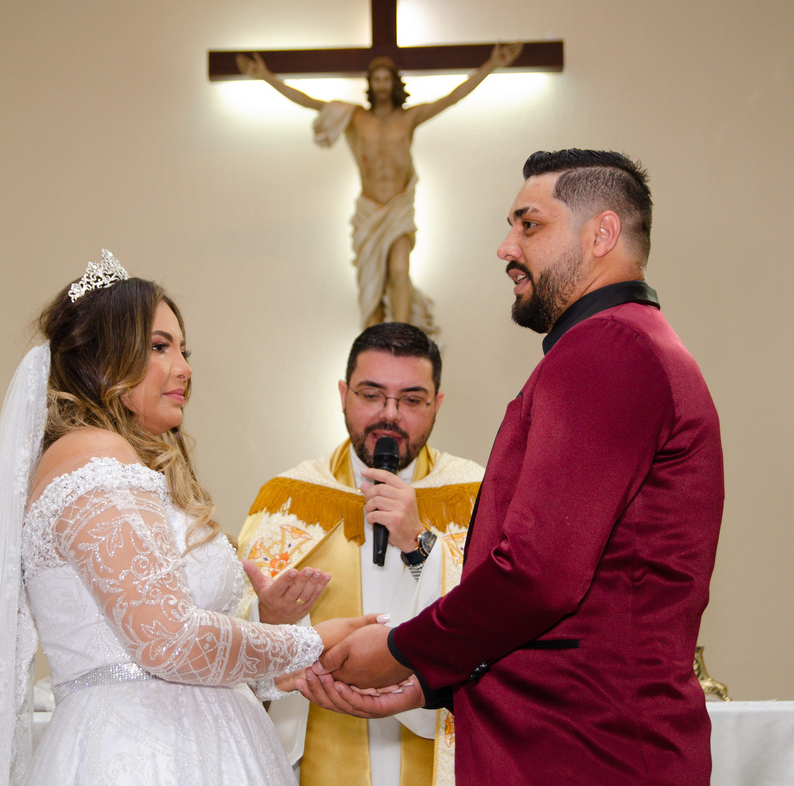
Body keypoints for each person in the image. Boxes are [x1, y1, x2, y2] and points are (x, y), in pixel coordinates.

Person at [0, 250, 381, 786]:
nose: (184, 368)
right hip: (141, 754)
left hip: (196, 743)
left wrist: (268, 630)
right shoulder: (95, 458)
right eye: (159, 347)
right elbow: (168, 642)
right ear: (103, 359)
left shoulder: (118, 464)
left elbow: (171, 644)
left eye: (183, 349)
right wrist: (312, 642)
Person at [307, 150, 726, 785]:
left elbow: (539, 576)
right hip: (572, 732)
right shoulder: (625, 343)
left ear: (602, 234)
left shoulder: (610, 348)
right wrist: (431, 684)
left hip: (588, 747)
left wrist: (401, 651)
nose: (506, 247)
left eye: (529, 225)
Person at [237, 322, 483, 785]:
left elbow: (498, 618)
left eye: (411, 400)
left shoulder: (474, 494)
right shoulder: (289, 499)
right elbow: (231, 627)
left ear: (437, 404)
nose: (390, 415)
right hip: (320, 741)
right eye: (371, 395)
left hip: (436, 742)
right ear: (343, 395)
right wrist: (266, 616)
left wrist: (420, 544)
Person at [237, 44, 522, 335]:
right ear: (370, 84)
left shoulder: (408, 118)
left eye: (386, 79)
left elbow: (452, 98)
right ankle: (374, 343)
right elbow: (308, 101)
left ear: (394, 82)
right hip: (369, 211)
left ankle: (401, 336)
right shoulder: (355, 117)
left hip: (398, 208)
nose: (382, 85)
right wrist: (266, 77)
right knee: (370, 286)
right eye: (376, 79)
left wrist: (491, 65)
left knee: (400, 268)